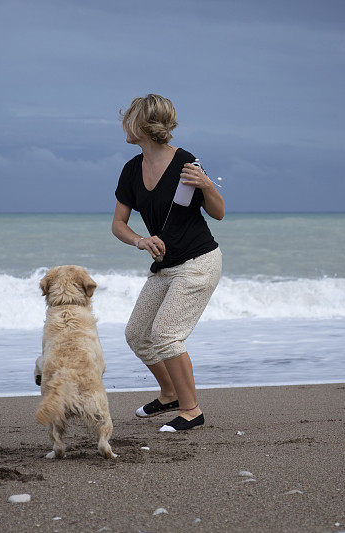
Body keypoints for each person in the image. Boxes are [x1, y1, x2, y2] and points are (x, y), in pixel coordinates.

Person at [111, 94, 225, 432]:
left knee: (166, 334)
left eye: (128, 117)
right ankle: (170, 393)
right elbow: (118, 224)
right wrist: (140, 240)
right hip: (165, 265)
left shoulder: (186, 162)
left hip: (199, 261)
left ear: (142, 125)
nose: (123, 124)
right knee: (137, 334)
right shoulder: (132, 169)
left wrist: (206, 184)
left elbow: (218, 213)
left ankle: (191, 410)